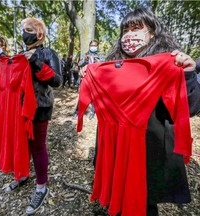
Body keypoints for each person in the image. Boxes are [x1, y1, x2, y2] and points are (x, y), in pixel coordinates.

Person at [80, 8, 200, 216]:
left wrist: (188, 75)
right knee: (116, 196)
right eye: (126, 29)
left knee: (144, 203)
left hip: (151, 153)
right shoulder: (110, 66)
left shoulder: (169, 62)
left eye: (137, 28)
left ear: (152, 32)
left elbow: (190, 108)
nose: (130, 35)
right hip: (115, 146)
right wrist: (90, 76)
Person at [5, 17, 62, 215]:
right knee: (21, 143)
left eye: (28, 29)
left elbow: (57, 81)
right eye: (23, 29)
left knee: (37, 147)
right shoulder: (20, 54)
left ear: (40, 33)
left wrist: (36, 61)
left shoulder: (48, 53)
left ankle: (41, 188)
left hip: (40, 108)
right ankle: (22, 174)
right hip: (18, 108)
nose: (24, 33)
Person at [73, 40, 105, 119]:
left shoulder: (100, 55)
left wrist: (96, 60)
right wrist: (85, 60)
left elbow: (103, 63)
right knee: (82, 95)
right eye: (92, 45)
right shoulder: (86, 54)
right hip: (86, 77)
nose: (93, 47)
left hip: (95, 78)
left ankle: (92, 112)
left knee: (94, 96)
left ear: (97, 46)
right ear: (89, 46)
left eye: (95, 45)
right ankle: (77, 112)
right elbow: (80, 64)